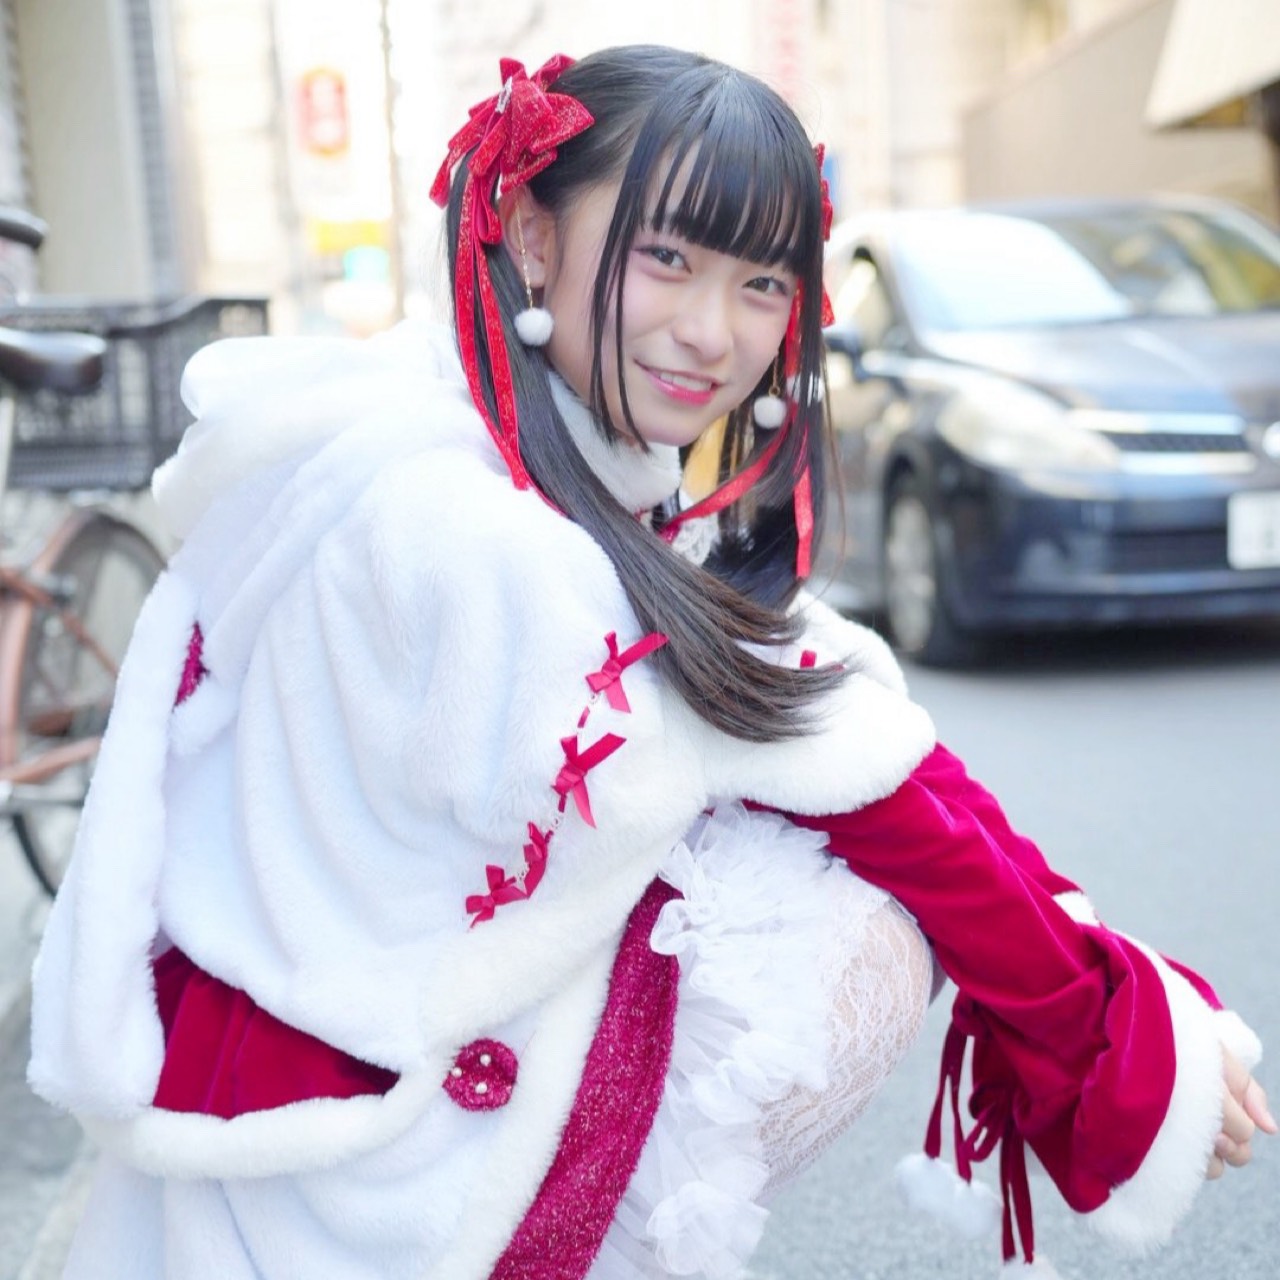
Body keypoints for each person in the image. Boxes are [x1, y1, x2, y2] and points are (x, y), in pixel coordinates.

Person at [27, 44, 1271, 1280]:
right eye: (666, 257)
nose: (710, 332)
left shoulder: (502, 437)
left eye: (762, 282)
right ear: (531, 237)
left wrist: (1113, 998)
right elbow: (848, 776)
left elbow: (824, 713)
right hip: (354, 1145)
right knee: (853, 917)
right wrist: (1112, 1029)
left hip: (302, 1080)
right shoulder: (461, 527)